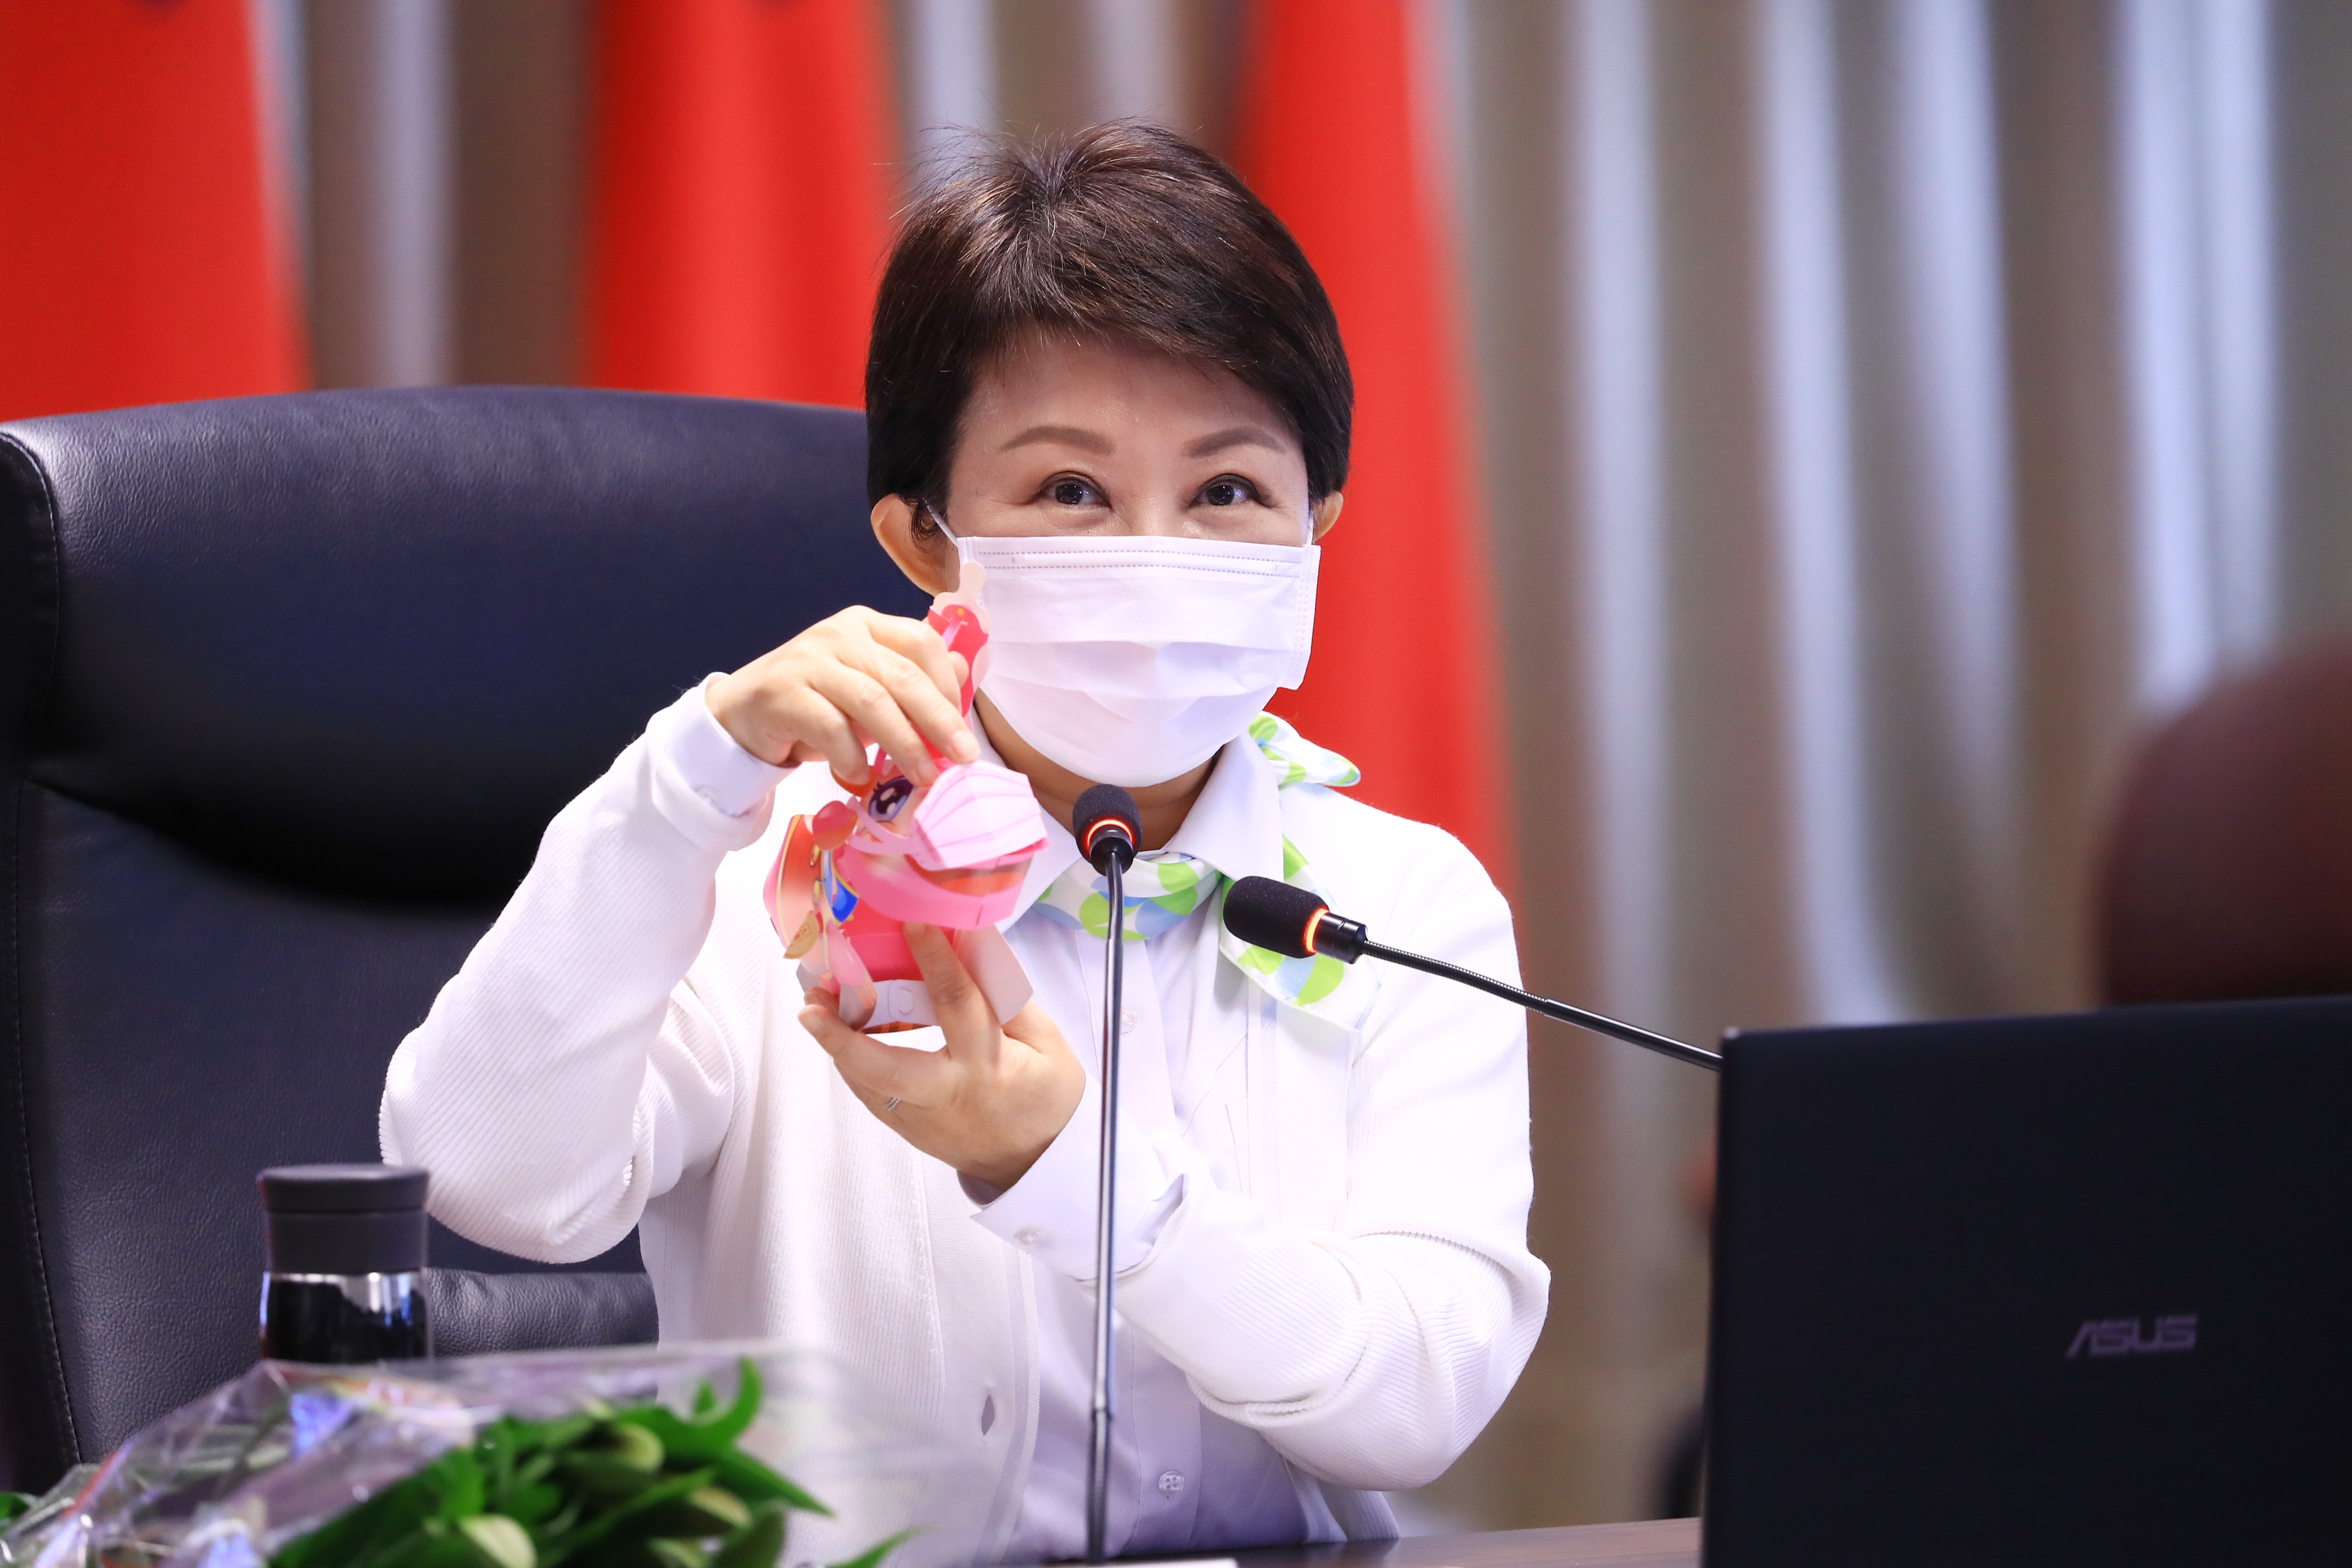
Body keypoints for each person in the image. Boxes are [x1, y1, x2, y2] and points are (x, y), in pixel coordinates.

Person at [381, 122, 1546, 1562]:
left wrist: (1071, 1171)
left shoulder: (1399, 902)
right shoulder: (764, 871)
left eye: (1229, 492)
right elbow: (489, 1180)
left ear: (1320, 525)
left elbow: (1415, 1408)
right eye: (1071, 491)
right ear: (926, 544)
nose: (1157, 552)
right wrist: (691, 776)